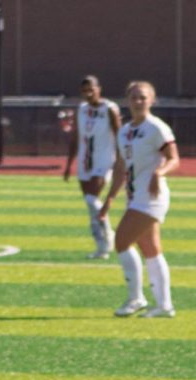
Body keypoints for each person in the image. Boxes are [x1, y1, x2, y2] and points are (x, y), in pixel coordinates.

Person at [101, 80, 178, 318]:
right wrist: (110, 198)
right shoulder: (124, 131)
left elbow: (174, 159)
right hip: (135, 197)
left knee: (122, 242)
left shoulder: (157, 128)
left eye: (143, 97)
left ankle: (136, 299)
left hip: (151, 197)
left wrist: (159, 172)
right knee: (151, 250)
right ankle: (164, 305)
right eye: (134, 97)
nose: (138, 101)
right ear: (127, 100)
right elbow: (121, 166)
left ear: (151, 100)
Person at [64, 75, 122, 260]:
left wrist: (122, 161)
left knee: (92, 200)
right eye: (84, 90)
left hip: (104, 161)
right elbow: (75, 137)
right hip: (84, 162)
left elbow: (119, 135)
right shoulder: (81, 109)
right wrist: (68, 164)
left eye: (91, 88)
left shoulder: (109, 109)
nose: (87, 92)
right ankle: (102, 241)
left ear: (99, 89)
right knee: (90, 205)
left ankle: (105, 241)